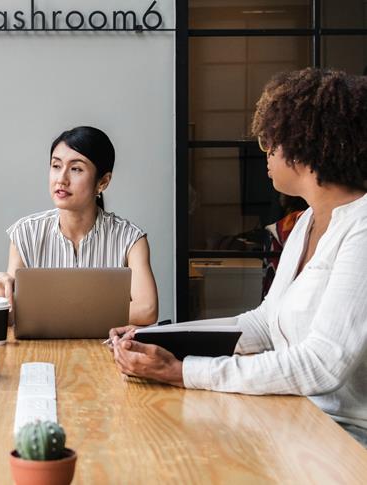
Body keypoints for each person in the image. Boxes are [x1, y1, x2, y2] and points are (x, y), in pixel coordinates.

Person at [109, 68, 367, 447]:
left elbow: (321, 365)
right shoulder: (306, 222)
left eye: (270, 141)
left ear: (304, 144)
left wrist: (182, 371)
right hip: (295, 418)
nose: (266, 153)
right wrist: (151, 336)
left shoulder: (361, 229)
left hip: (344, 439)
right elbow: (262, 324)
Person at [0, 126, 158, 325]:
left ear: (103, 182)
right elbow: (12, 314)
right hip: (40, 346)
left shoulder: (130, 239)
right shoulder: (25, 233)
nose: (61, 179)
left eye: (76, 169)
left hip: (105, 345)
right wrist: (1, 284)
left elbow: (147, 309)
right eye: (56, 166)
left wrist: (55, 311)